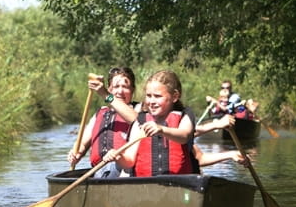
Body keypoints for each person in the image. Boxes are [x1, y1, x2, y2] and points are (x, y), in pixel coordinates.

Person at [103, 70, 247, 176]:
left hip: (180, 185)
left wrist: (161, 129)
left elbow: (184, 135)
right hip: (145, 187)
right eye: (148, 96)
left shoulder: (184, 116)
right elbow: (129, 161)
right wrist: (118, 157)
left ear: (175, 96)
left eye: (157, 96)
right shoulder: (140, 121)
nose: (151, 101)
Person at [67, 67, 141, 177]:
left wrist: (105, 95)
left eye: (125, 87)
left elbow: (137, 121)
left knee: (112, 168)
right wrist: (76, 153)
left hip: (124, 172)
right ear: (110, 89)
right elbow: (81, 144)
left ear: (132, 90)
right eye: (116, 87)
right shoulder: (100, 113)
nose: (120, 91)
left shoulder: (138, 109)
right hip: (99, 172)